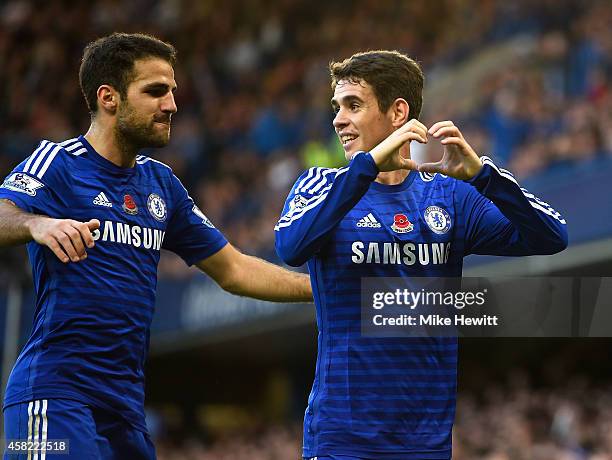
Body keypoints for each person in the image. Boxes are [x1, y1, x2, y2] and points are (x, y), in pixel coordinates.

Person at [0, 32, 312, 460]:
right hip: (53, 395)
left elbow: (235, 270)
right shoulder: (57, 164)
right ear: (108, 97)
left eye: (172, 91)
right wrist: (37, 224)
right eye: (155, 91)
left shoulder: (161, 185)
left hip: (125, 407)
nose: (171, 105)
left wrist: (319, 289)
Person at [275, 50, 568, 460]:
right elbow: (292, 247)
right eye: (337, 108)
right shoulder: (321, 184)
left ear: (398, 112)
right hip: (341, 441)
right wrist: (365, 168)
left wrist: (484, 177)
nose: (338, 120)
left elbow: (552, 235)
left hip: (425, 445)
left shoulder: (448, 193)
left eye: (353, 106)